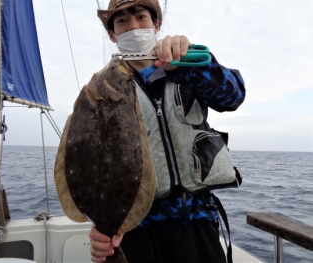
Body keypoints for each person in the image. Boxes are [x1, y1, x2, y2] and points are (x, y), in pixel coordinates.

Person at [90, 0, 245, 262]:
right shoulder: (101, 90)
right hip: (134, 228)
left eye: (141, 17)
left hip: (196, 222)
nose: (134, 26)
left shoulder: (189, 65)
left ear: (156, 25)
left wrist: (192, 66)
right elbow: (94, 164)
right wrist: (101, 224)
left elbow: (233, 96)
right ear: (112, 35)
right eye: (122, 21)